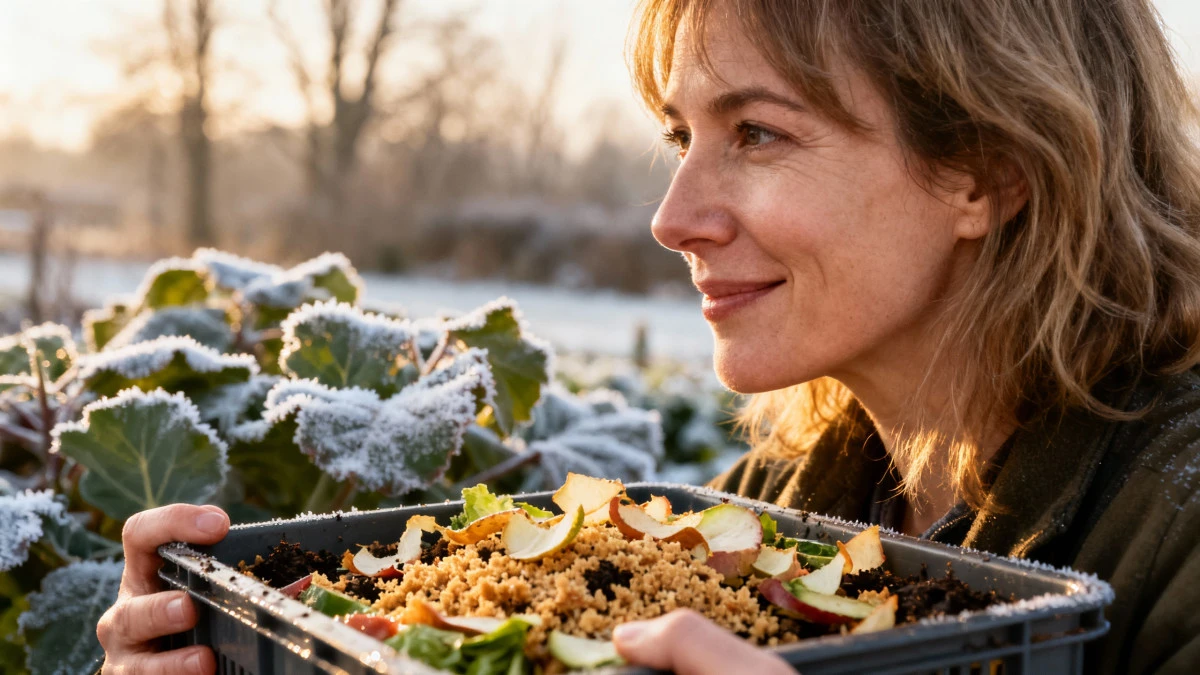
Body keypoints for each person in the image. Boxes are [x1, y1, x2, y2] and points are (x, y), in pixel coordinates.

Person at [100, 0, 1200, 673]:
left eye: (757, 133)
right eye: (682, 136)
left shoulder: (1176, 535)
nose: (673, 218)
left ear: (989, 171)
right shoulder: (759, 515)